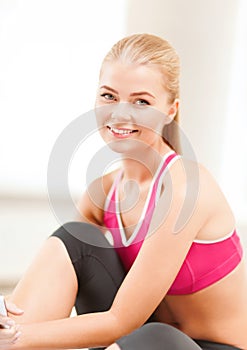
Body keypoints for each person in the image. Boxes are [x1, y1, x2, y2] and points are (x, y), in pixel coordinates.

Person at [0, 33, 246, 349]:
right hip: (135, 340)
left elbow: (121, 321)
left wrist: (15, 340)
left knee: (157, 336)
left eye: (141, 102)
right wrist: (10, 320)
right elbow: (57, 277)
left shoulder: (185, 188)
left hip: (192, 345)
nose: (120, 114)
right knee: (75, 239)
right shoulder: (102, 193)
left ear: (171, 110)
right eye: (109, 96)